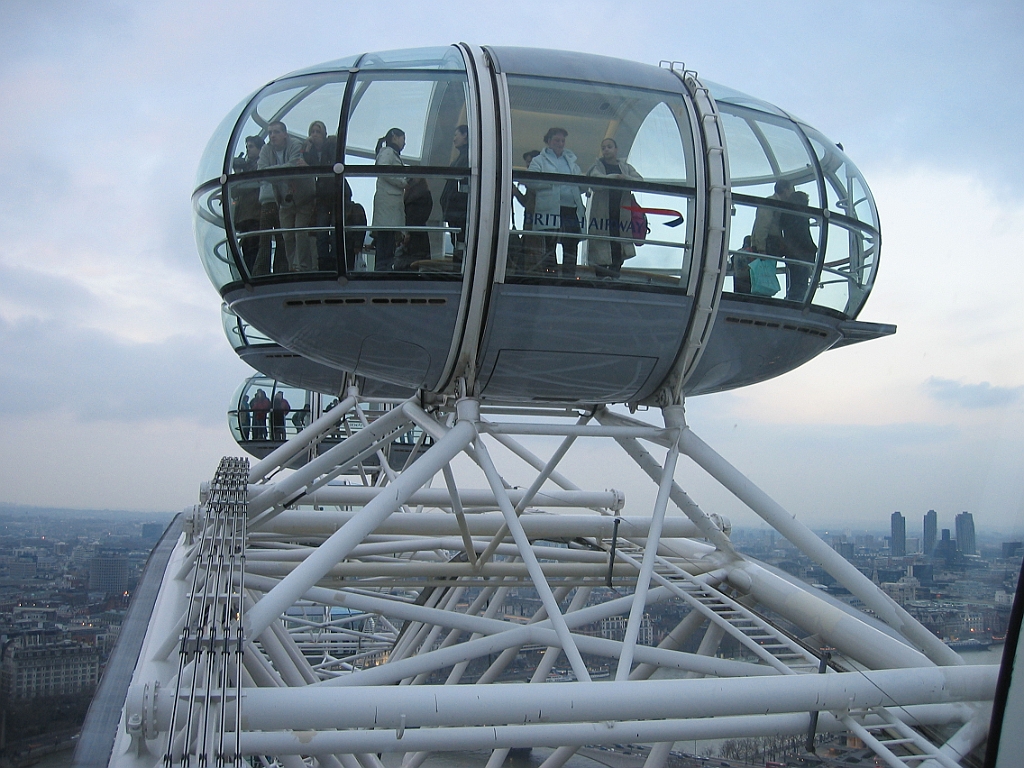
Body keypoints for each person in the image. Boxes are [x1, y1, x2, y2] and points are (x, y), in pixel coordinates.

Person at [254, 121, 311, 275]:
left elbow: (294, 166)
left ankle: (303, 267)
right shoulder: (266, 149)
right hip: (283, 200)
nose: (272, 136)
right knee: (287, 235)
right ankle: (292, 267)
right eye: (270, 132)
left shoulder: (295, 144)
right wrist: (282, 171)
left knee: (300, 232)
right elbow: (261, 171)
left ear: (285, 134)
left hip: (303, 197)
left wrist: (272, 173)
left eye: (276, 132)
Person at [528, 128, 586, 278]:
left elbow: (581, 184)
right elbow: (531, 181)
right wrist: (553, 183)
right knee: (550, 245)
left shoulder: (571, 162)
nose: (560, 144)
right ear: (549, 142)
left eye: (562, 141)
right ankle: (550, 277)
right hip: (550, 209)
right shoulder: (538, 161)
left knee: (571, 244)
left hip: (571, 209)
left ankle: (569, 278)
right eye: (557, 140)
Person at [586, 138, 643, 279]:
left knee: (619, 244)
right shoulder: (596, 166)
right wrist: (616, 177)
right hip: (602, 213)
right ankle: (601, 277)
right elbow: (595, 182)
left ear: (616, 149)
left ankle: (614, 275)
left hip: (621, 213)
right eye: (603, 147)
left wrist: (625, 178)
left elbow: (640, 181)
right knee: (601, 244)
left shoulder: (626, 167)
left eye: (609, 147)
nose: (606, 150)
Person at [302, 120, 338, 271]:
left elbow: (327, 167)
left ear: (324, 134)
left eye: (318, 131)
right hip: (322, 195)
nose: (315, 135)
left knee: (336, 230)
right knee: (321, 231)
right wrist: (307, 149)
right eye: (312, 132)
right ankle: (323, 264)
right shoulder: (311, 152)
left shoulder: (331, 146)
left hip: (336, 192)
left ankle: (335, 261)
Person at [372, 128, 407, 271]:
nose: (404, 143)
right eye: (403, 139)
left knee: (387, 240)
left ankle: (384, 268)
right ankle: (382, 270)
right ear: (395, 137)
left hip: (389, 205)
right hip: (388, 204)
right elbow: (383, 170)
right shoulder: (388, 153)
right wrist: (402, 182)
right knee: (385, 240)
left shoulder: (389, 153)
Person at [231, 136, 264, 274]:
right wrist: (238, 172)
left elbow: (251, 184)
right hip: (244, 215)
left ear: (260, 149)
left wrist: (241, 174)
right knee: (247, 249)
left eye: (251, 147)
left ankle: (254, 273)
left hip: (255, 213)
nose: (248, 150)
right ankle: (249, 273)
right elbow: (234, 191)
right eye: (247, 147)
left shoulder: (261, 164)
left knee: (253, 247)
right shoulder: (247, 167)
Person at [439, 125, 469, 267]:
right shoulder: (462, 158)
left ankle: (460, 269)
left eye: (456, 135)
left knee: (459, 244)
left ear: (465, 135)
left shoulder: (467, 158)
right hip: (455, 212)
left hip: (458, 212)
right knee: (457, 243)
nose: (454, 139)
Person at [781, 190, 817, 301]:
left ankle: (792, 301)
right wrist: (812, 250)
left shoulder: (786, 214)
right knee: (800, 286)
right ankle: (796, 303)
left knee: (796, 284)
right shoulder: (800, 216)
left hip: (792, 253)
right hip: (802, 254)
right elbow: (803, 235)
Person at [397, 177, 433, 270]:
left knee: (413, 263)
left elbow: (417, 217)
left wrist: (408, 232)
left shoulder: (420, 196)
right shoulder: (422, 195)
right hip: (416, 234)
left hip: (415, 235)